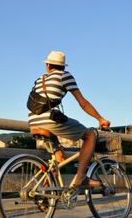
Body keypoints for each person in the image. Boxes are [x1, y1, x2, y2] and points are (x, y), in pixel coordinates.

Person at [28, 50, 110, 189]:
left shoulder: (39, 79)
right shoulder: (65, 76)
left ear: (48, 65)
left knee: (59, 158)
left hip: (33, 121)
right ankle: (81, 178)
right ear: (64, 66)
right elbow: (82, 103)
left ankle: (45, 193)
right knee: (90, 136)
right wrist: (100, 119)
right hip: (49, 120)